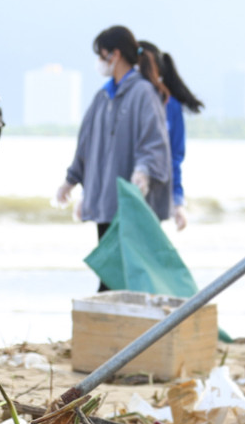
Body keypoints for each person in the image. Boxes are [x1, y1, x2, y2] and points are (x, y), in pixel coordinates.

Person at [57, 27, 172, 287]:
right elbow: (85, 143)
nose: (99, 61)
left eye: (101, 54)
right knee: (110, 274)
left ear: (115, 55)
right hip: (106, 203)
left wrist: (143, 172)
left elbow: (155, 142)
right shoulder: (103, 96)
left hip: (132, 205)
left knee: (128, 277)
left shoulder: (143, 93)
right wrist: (71, 180)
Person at [139, 40, 203, 231]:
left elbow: (174, 157)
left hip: (153, 197)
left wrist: (177, 202)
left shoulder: (170, 105)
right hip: (122, 196)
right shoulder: (120, 100)